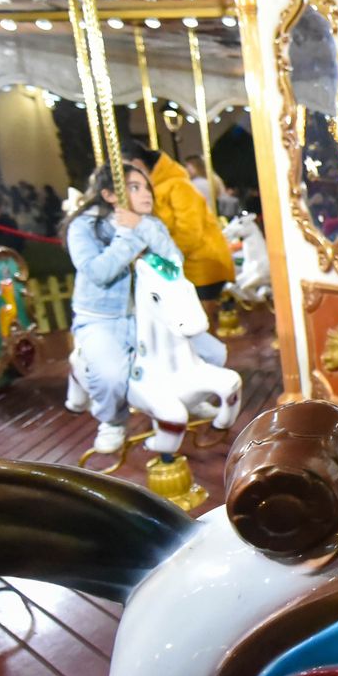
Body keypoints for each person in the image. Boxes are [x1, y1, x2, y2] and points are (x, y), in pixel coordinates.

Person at [63, 163, 196, 453]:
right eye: (135, 188)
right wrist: (127, 236)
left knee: (209, 353)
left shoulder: (148, 223)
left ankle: (191, 401)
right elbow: (98, 272)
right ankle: (111, 420)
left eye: (147, 187)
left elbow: (174, 261)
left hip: (149, 316)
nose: (147, 193)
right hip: (102, 317)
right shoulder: (83, 227)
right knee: (112, 377)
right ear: (110, 195)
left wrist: (142, 227)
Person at [123, 143, 236, 323]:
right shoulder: (153, 189)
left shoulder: (178, 186)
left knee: (198, 328)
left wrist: (160, 254)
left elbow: (190, 232)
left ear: (137, 164)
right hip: (180, 266)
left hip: (200, 265)